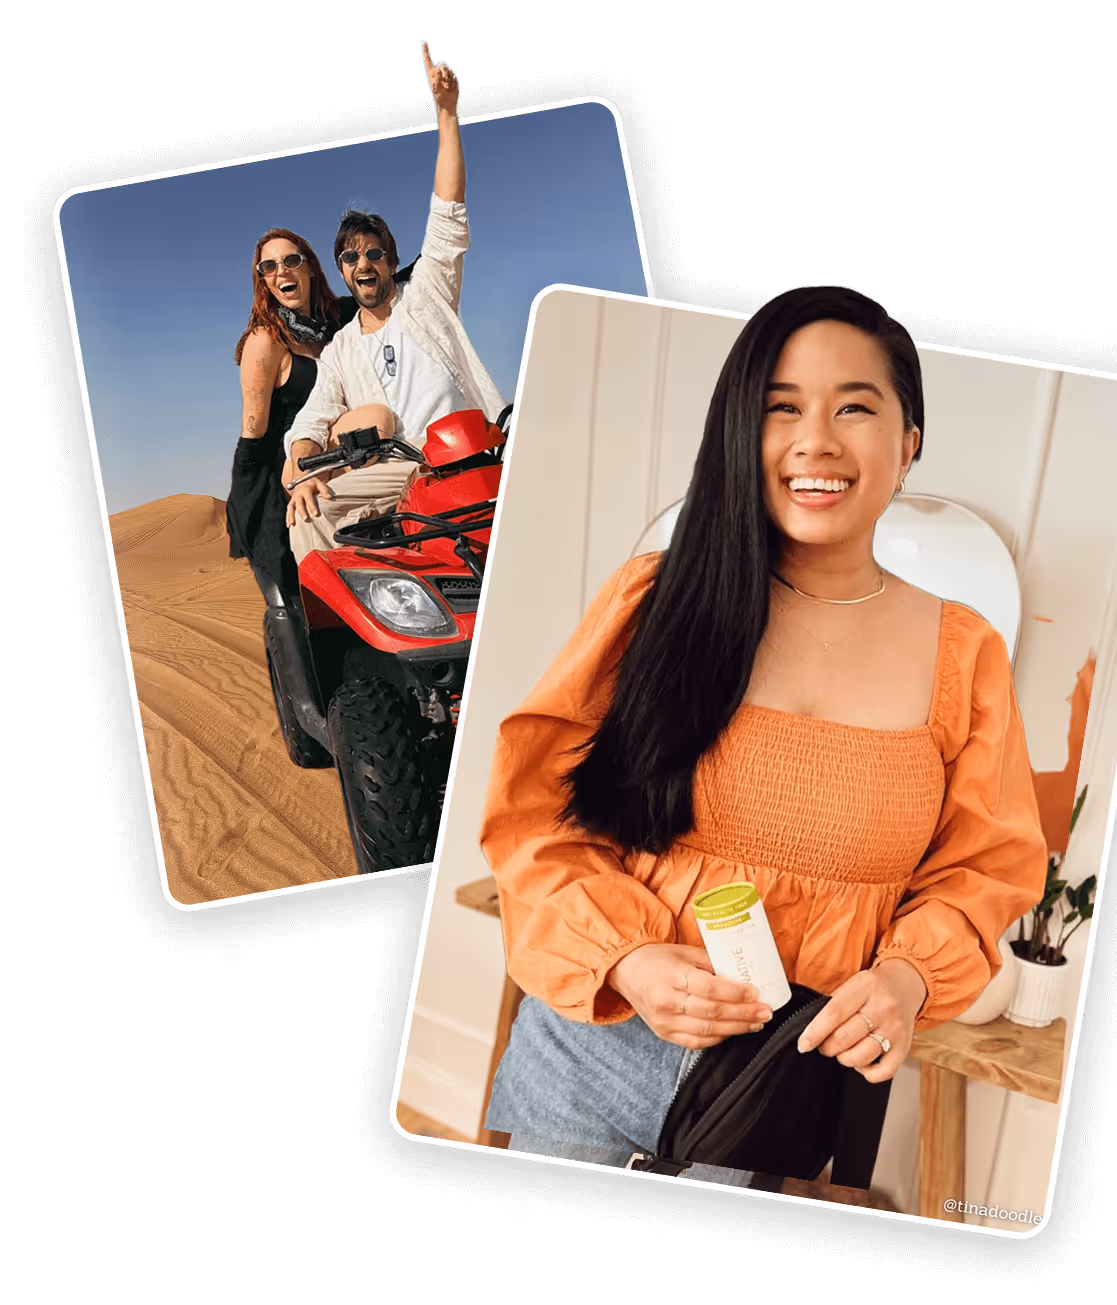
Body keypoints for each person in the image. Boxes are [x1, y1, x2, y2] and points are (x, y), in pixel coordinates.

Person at [477, 286, 1049, 1191]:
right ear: (740, 434)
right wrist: (624, 954)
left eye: (854, 407)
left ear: (907, 444)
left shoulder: (966, 653)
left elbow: (984, 871)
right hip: (586, 1057)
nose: (814, 439)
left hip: (777, 1085)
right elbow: (531, 816)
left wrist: (904, 980)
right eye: (780, 408)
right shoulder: (652, 600)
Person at [282, 43, 506, 565]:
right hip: (404, 468)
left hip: (473, 451)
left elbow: (448, 208)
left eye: (375, 253)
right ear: (341, 270)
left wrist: (446, 114)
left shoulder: (427, 291)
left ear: (391, 261)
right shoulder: (339, 350)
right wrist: (303, 469)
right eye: (351, 256)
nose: (364, 264)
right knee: (308, 515)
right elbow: (313, 420)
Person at [226, 229, 420, 600]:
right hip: (293, 461)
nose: (282, 271)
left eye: (291, 261)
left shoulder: (339, 317)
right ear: (263, 280)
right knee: (377, 418)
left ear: (310, 269)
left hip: (347, 451)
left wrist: (433, 254)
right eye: (269, 266)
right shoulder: (265, 342)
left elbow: (388, 282)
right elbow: (253, 435)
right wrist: (250, 515)